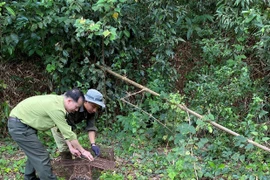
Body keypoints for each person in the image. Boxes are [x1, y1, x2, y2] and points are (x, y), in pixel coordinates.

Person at [7, 88, 94, 180]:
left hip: (25, 123)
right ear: (69, 101)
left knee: (34, 153)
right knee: (41, 156)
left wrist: (70, 147)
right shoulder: (57, 109)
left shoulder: (58, 102)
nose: (76, 110)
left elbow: (62, 130)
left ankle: (29, 178)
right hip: (20, 125)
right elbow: (69, 134)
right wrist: (83, 151)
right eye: (76, 107)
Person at [51, 89, 105, 159]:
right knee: (65, 148)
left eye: (97, 107)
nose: (95, 110)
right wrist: (72, 146)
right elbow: (64, 130)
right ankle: (66, 163)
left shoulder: (91, 111)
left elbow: (91, 127)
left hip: (70, 125)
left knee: (74, 147)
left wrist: (93, 144)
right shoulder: (72, 104)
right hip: (58, 122)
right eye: (93, 106)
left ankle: (74, 162)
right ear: (86, 101)